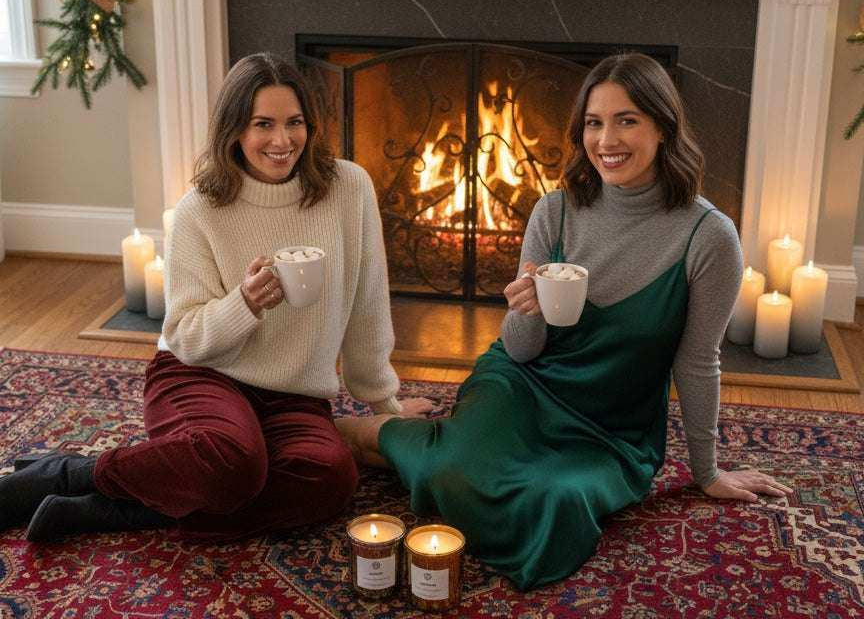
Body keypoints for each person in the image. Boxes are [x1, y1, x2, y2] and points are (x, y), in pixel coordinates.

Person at [337, 52, 792, 591]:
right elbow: (523, 351)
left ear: (663, 128)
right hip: (521, 385)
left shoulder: (708, 236)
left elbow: (697, 362)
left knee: (554, 506)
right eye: (594, 123)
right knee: (452, 473)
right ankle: (364, 433)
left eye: (627, 120)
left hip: (611, 425)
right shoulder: (554, 211)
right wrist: (523, 311)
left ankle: (413, 440)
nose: (607, 140)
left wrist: (707, 471)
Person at [0, 52, 431, 542]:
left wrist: (384, 406)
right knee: (231, 464)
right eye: (262, 124)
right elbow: (183, 337)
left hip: (295, 394)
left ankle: (109, 512)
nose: (281, 141)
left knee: (328, 481)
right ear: (234, 130)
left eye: (295, 123)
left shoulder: (348, 188)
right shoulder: (199, 210)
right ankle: (67, 473)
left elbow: (368, 304)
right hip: (201, 374)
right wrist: (242, 304)